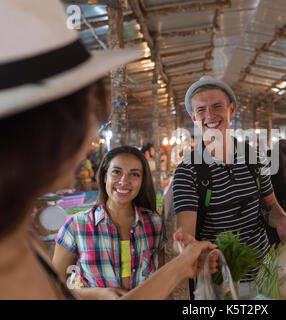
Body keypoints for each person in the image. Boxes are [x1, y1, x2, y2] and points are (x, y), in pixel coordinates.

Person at [0, 0, 217, 300]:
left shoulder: (17, 233)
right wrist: (181, 266)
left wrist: (91, 296)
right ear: (49, 136)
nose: (92, 138)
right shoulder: (11, 264)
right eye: (88, 120)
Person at [173, 76, 286, 299]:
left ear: (231, 108)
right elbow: (184, 233)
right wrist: (189, 250)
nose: (209, 115)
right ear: (193, 117)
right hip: (217, 282)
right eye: (201, 110)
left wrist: (281, 221)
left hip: (264, 273)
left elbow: (270, 206)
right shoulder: (188, 170)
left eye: (217, 106)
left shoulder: (255, 157)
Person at [53, 146, 168, 296]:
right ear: (105, 176)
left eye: (134, 174)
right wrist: (98, 295)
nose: (124, 181)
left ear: (142, 181)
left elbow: (162, 283)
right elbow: (54, 286)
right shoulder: (76, 226)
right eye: (116, 172)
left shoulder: (155, 224)